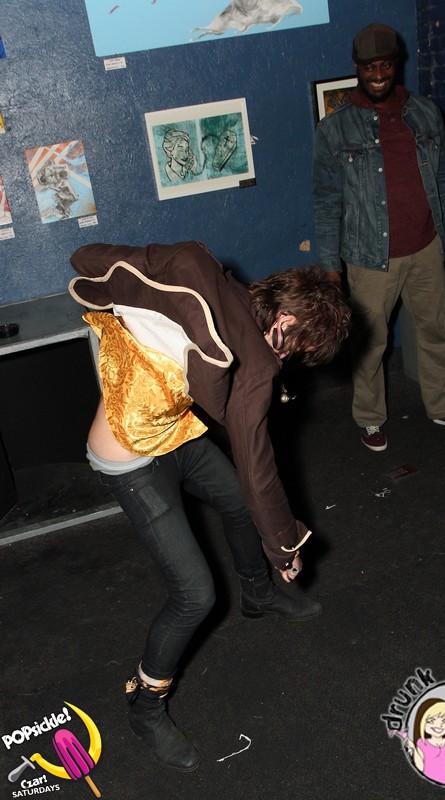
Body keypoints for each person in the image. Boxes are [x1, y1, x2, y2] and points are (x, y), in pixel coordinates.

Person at [68, 240, 351, 772]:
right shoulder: (255, 360)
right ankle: (145, 707)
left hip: (175, 433)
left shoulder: (210, 278)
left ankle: (257, 595)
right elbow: (257, 467)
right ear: (286, 320)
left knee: (238, 503)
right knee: (195, 594)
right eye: (298, 349)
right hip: (129, 459)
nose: (289, 361)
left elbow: (84, 257)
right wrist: (285, 546)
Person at [312, 22, 445, 452]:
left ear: (397, 64)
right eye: (369, 67)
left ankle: (444, 406)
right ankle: (369, 419)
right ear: (357, 68)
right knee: (369, 344)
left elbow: (444, 179)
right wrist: (331, 268)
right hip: (369, 258)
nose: (378, 75)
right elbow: (326, 202)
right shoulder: (334, 130)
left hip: (427, 247)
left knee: (436, 331)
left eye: (385, 65)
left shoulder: (425, 113)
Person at [403, 697, 445, 785]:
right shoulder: (422, 743)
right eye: (431, 721)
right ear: (422, 722)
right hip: (426, 782)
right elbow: (420, 767)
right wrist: (413, 748)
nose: (439, 725)